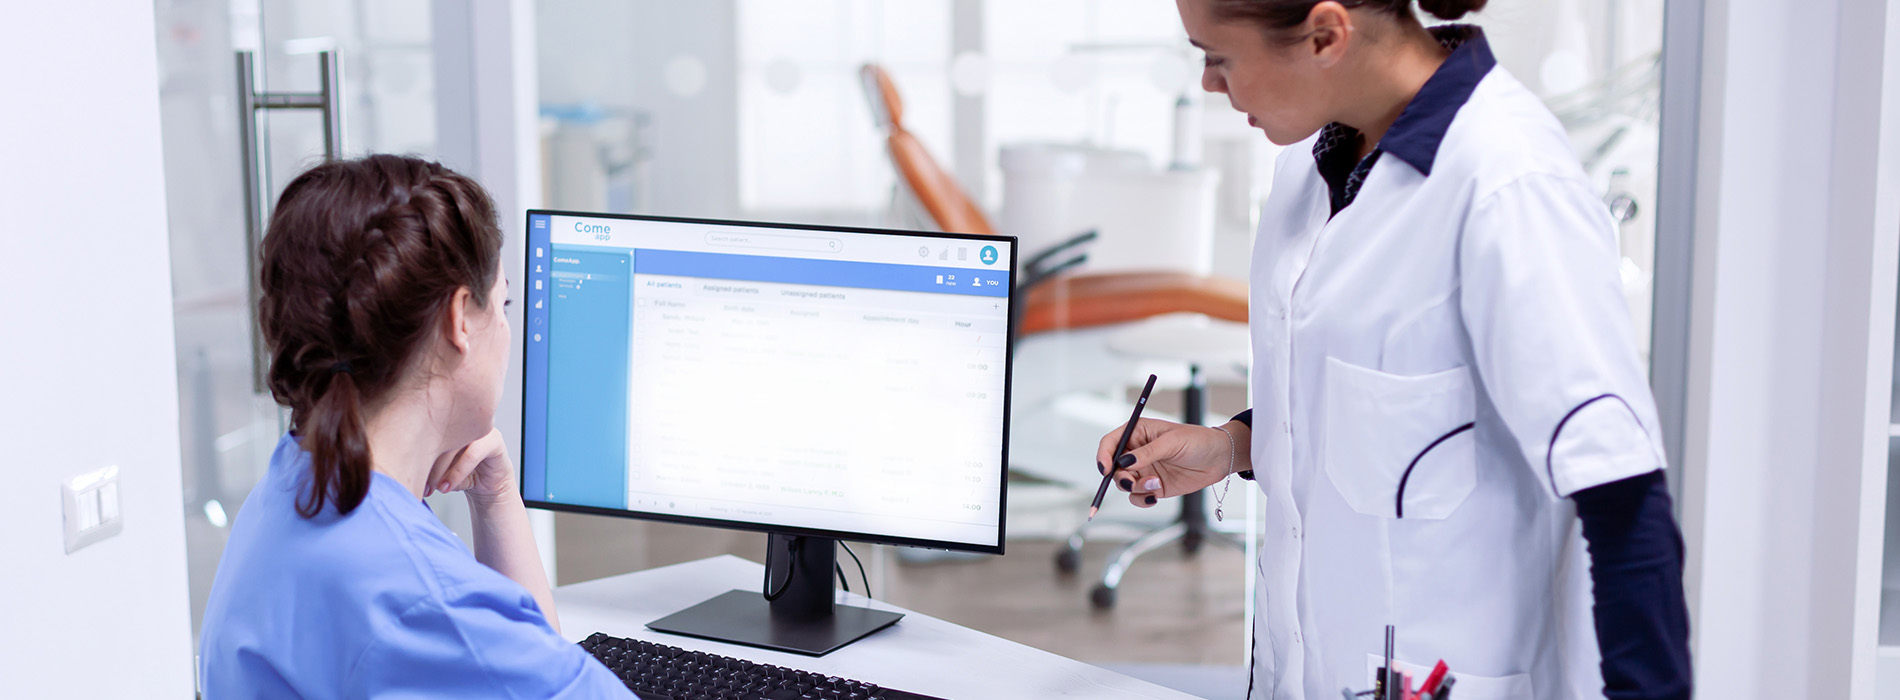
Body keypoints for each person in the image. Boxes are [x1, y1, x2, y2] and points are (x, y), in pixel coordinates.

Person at [1098, 1, 1692, 698]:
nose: (1207, 83)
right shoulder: (1309, 162)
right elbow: (1384, 404)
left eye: (1218, 57)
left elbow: (1623, 496)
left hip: (1451, 670)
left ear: (1325, 35)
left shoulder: (1508, 184)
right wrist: (1231, 446)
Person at [198, 155, 629, 697]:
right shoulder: (428, 605)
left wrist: (496, 496)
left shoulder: (293, 484)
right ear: (458, 321)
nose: (507, 327)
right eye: (503, 304)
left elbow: (527, 666)